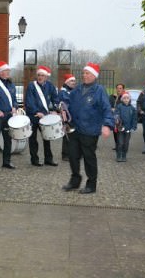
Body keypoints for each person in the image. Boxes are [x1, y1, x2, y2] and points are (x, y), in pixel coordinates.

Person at [62, 63, 114, 194]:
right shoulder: (77, 90)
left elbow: (106, 109)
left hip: (90, 131)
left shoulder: (99, 90)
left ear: (94, 76)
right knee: (73, 156)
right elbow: (66, 101)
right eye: (84, 73)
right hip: (75, 129)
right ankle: (75, 181)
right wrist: (62, 109)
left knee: (89, 157)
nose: (84, 75)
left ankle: (91, 184)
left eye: (87, 73)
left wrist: (107, 125)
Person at [25, 65, 60, 167]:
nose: (40, 77)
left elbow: (56, 99)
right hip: (34, 115)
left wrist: (54, 109)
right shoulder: (32, 86)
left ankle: (48, 159)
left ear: (46, 77)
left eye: (42, 75)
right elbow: (29, 102)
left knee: (47, 137)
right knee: (33, 139)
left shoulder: (50, 86)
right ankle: (34, 159)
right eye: (39, 75)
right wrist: (37, 111)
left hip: (45, 117)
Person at [114, 91, 138, 162]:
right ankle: (118, 155)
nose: (126, 99)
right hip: (120, 128)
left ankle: (124, 155)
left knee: (126, 143)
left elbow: (134, 119)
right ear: (122, 99)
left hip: (128, 129)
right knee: (120, 142)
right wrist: (117, 119)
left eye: (127, 98)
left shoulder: (132, 108)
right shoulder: (119, 106)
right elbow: (116, 114)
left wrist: (134, 127)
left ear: (129, 99)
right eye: (124, 98)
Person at [58, 73, 76, 161]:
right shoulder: (63, 92)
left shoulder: (73, 91)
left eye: (74, 81)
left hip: (74, 115)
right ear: (67, 82)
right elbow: (66, 102)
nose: (73, 82)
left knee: (74, 135)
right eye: (72, 81)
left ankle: (73, 153)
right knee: (67, 135)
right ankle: (65, 154)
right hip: (67, 116)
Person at [109, 83, 125, 150]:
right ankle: (117, 145)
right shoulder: (112, 97)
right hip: (114, 118)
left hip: (122, 118)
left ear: (123, 89)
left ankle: (122, 146)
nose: (119, 89)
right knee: (115, 132)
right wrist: (111, 108)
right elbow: (108, 105)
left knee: (121, 132)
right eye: (117, 88)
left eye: (120, 88)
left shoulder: (125, 97)